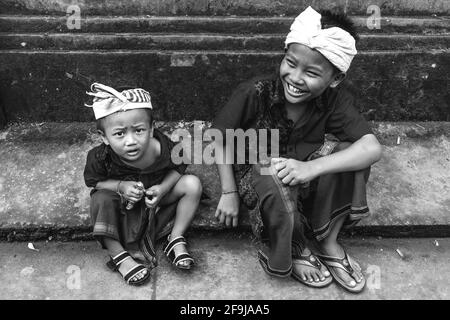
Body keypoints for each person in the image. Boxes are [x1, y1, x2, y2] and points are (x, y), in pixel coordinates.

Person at [212, 6, 382, 293]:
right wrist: (229, 192)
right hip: (260, 181)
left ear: (335, 79)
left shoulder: (334, 100)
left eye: (312, 72)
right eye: (290, 63)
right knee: (269, 168)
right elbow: (218, 138)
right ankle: (294, 246)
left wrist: (310, 168)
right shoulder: (256, 92)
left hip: (303, 175)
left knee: (351, 149)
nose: (295, 77)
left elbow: (371, 147)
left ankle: (328, 240)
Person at [83, 83, 202, 286]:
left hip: (154, 200)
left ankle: (175, 237)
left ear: (152, 128)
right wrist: (121, 187)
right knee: (100, 198)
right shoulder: (100, 158)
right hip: (124, 205)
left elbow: (180, 165)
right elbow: (95, 182)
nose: (131, 141)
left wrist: (163, 188)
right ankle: (118, 254)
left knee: (192, 184)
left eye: (139, 130)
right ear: (104, 137)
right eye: (119, 134)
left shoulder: (162, 146)